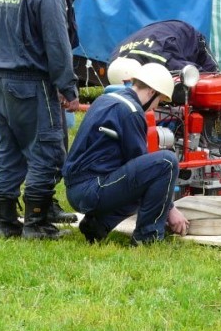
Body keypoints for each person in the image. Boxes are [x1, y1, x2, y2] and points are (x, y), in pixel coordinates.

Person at [0, 0, 80, 241]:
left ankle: (6, 220)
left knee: (8, 148)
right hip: (29, 83)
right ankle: (37, 223)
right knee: (48, 147)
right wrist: (68, 88)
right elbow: (58, 46)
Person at [110, 20, 221, 184]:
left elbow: (190, 75)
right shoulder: (116, 63)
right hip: (158, 37)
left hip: (182, 39)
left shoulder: (165, 60)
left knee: (216, 99)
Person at [63, 62, 190, 245]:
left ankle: (96, 226)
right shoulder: (130, 111)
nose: (155, 106)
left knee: (140, 182)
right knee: (166, 163)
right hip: (91, 189)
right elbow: (143, 170)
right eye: (158, 101)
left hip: (77, 189)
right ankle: (148, 237)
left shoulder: (107, 98)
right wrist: (171, 209)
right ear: (151, 92)